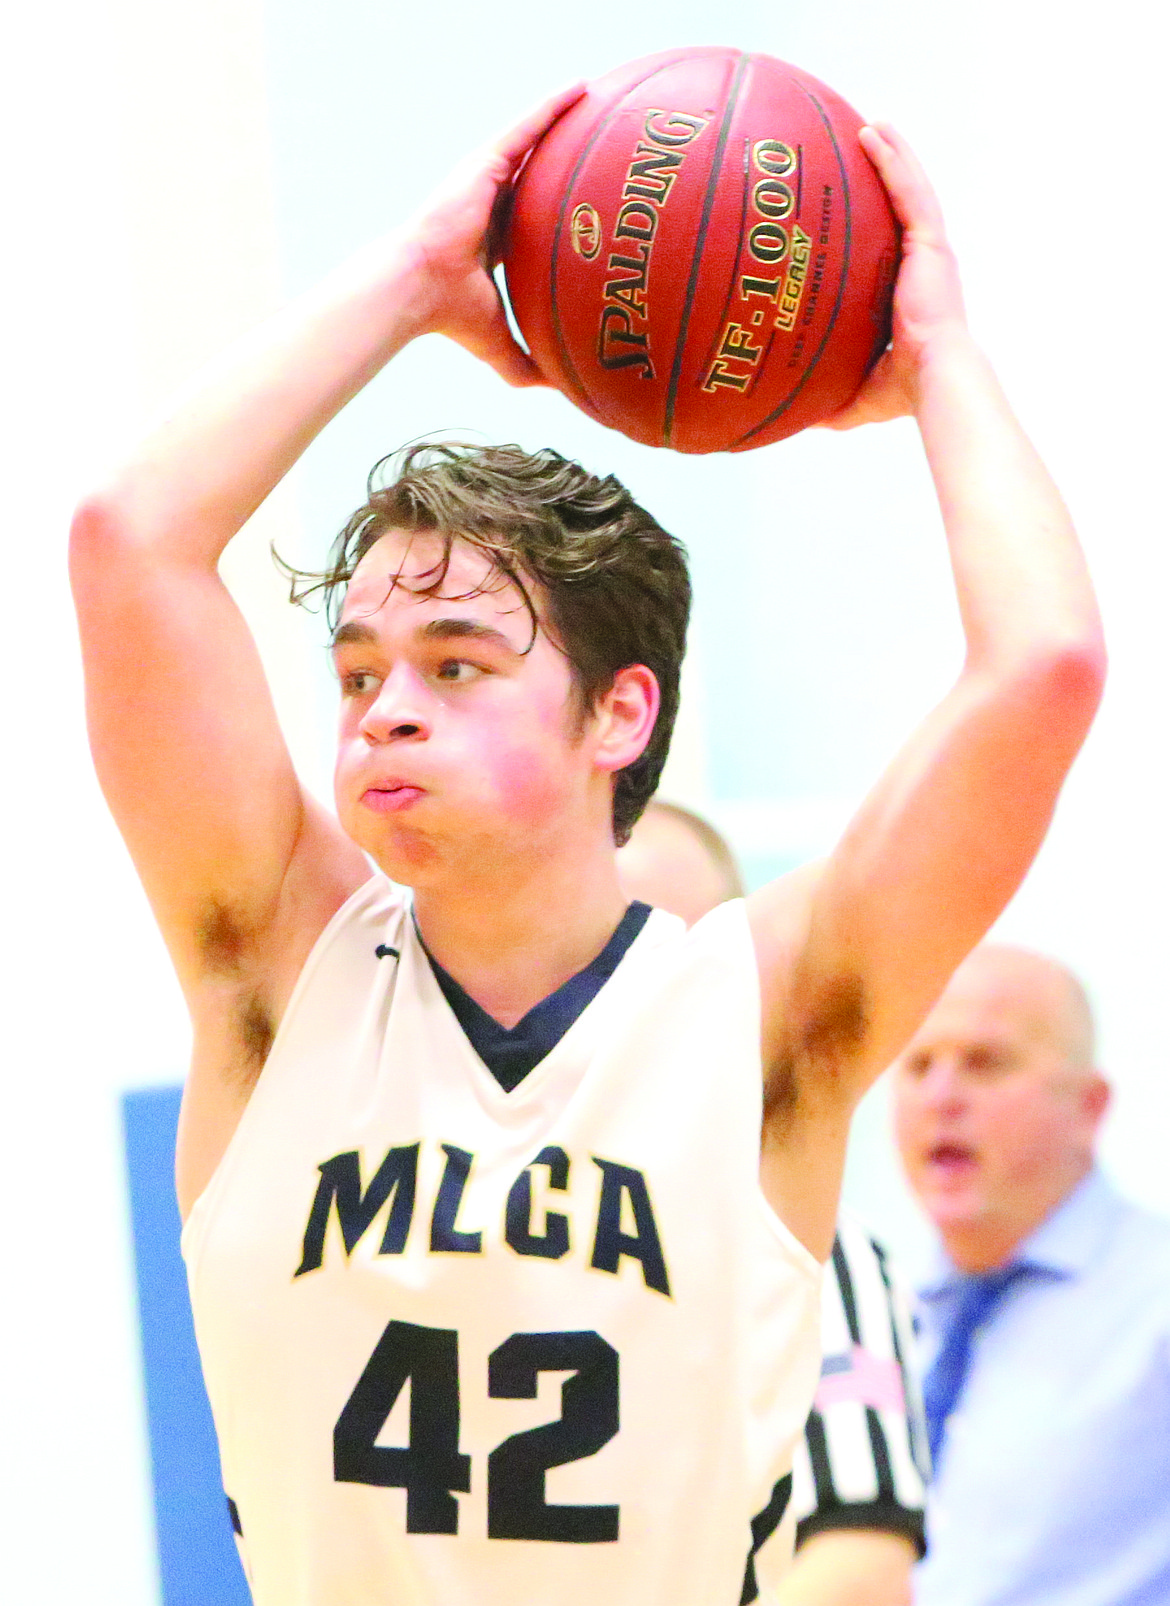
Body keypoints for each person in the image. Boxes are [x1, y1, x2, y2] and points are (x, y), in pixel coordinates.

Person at [68, 77, 1103, 1606]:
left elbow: (1043, 669)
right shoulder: (275, 973)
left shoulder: (762, 1015)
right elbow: (128, 539)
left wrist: (940, 358)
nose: (382, 714)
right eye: (358, 673)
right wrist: (419, 281)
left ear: (618, 714)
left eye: (457, 664)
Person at [620, 802, 929, 1606]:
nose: (629, 1003)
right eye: (600, 960)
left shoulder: (815, 1247)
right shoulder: (423, 1209)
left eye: (676, 963)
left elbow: (859, 1571)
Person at [893, 945, 1170, 1605]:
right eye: (918, 1065)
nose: (941, 1096)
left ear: (1090, 1107)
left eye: (985, 1063)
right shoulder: (860, 1316)